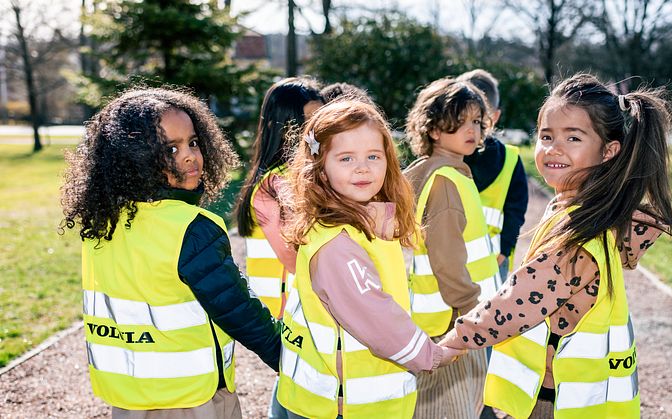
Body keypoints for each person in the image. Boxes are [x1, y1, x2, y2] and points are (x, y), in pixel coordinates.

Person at [439, 73, 672, 418]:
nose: (553, 148)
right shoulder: (586, 211)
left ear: (608, 151)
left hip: (559, 402)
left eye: (573, 137)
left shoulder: (580, 231)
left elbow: (521, 298)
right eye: (546, 135)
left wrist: (453, 342)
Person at [60, 88, 282, 418]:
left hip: (127, 398)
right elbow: (237, 308)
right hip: (191, 399)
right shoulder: (193, 227)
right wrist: (287, 360)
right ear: (133, 158)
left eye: (193, 142)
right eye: (171, 149)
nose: (191, 155)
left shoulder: (103, 223)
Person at [276, 100, 465, 419]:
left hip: (349, 398)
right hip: (344, 404)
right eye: (346, 158)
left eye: (373, 156)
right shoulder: (337, 244)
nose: (362, 168)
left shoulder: (365, 223)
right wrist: (431, 354)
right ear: (319, 167)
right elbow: (376, 316)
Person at [403, 78, 500, 419]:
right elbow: (447, 257)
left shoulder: (427, 171)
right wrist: (471, 311)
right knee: (455, 408)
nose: (471, 130)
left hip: (439, 319)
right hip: (455, 320)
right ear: (432, 129)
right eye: (460, 121)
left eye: (477, 121)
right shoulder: (446, 179)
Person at [234, 77, 323, 320]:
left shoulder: (312, 173)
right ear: (283, 127)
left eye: (321, 121)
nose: (316, 132)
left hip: (307, 307)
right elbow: (291, 259)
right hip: (286, 314)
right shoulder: (273, 186)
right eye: (307, 123)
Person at [459, 69, 529, 284]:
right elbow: (516, 211)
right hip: (492, 256)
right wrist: (503, 250)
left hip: (477, 256)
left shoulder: (449, 154)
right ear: (496, 116)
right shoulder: (510, 158)